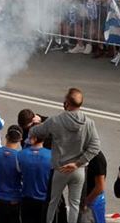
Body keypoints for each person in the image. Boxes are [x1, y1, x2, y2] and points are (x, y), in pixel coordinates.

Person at [28, 88, 101, 223]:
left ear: (67, 102)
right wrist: (78, 163)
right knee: (74, 204)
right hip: (78, 170)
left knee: (53, 202)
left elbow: (36, 131)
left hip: (60, 169)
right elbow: (95, 147)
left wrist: (33, 127)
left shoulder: (55, 121)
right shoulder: (89, 123)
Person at [18, 129, 52, 223]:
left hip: (26, 198)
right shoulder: (51, 155)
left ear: (34, 138)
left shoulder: (21, 154)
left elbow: (18, 174)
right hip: (44, 200)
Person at [80, 148, 107, 223]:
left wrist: (86, 202)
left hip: (93, 199)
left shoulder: (96, 158)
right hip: (86, 197)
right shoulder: (83, 155)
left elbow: (100, 186)